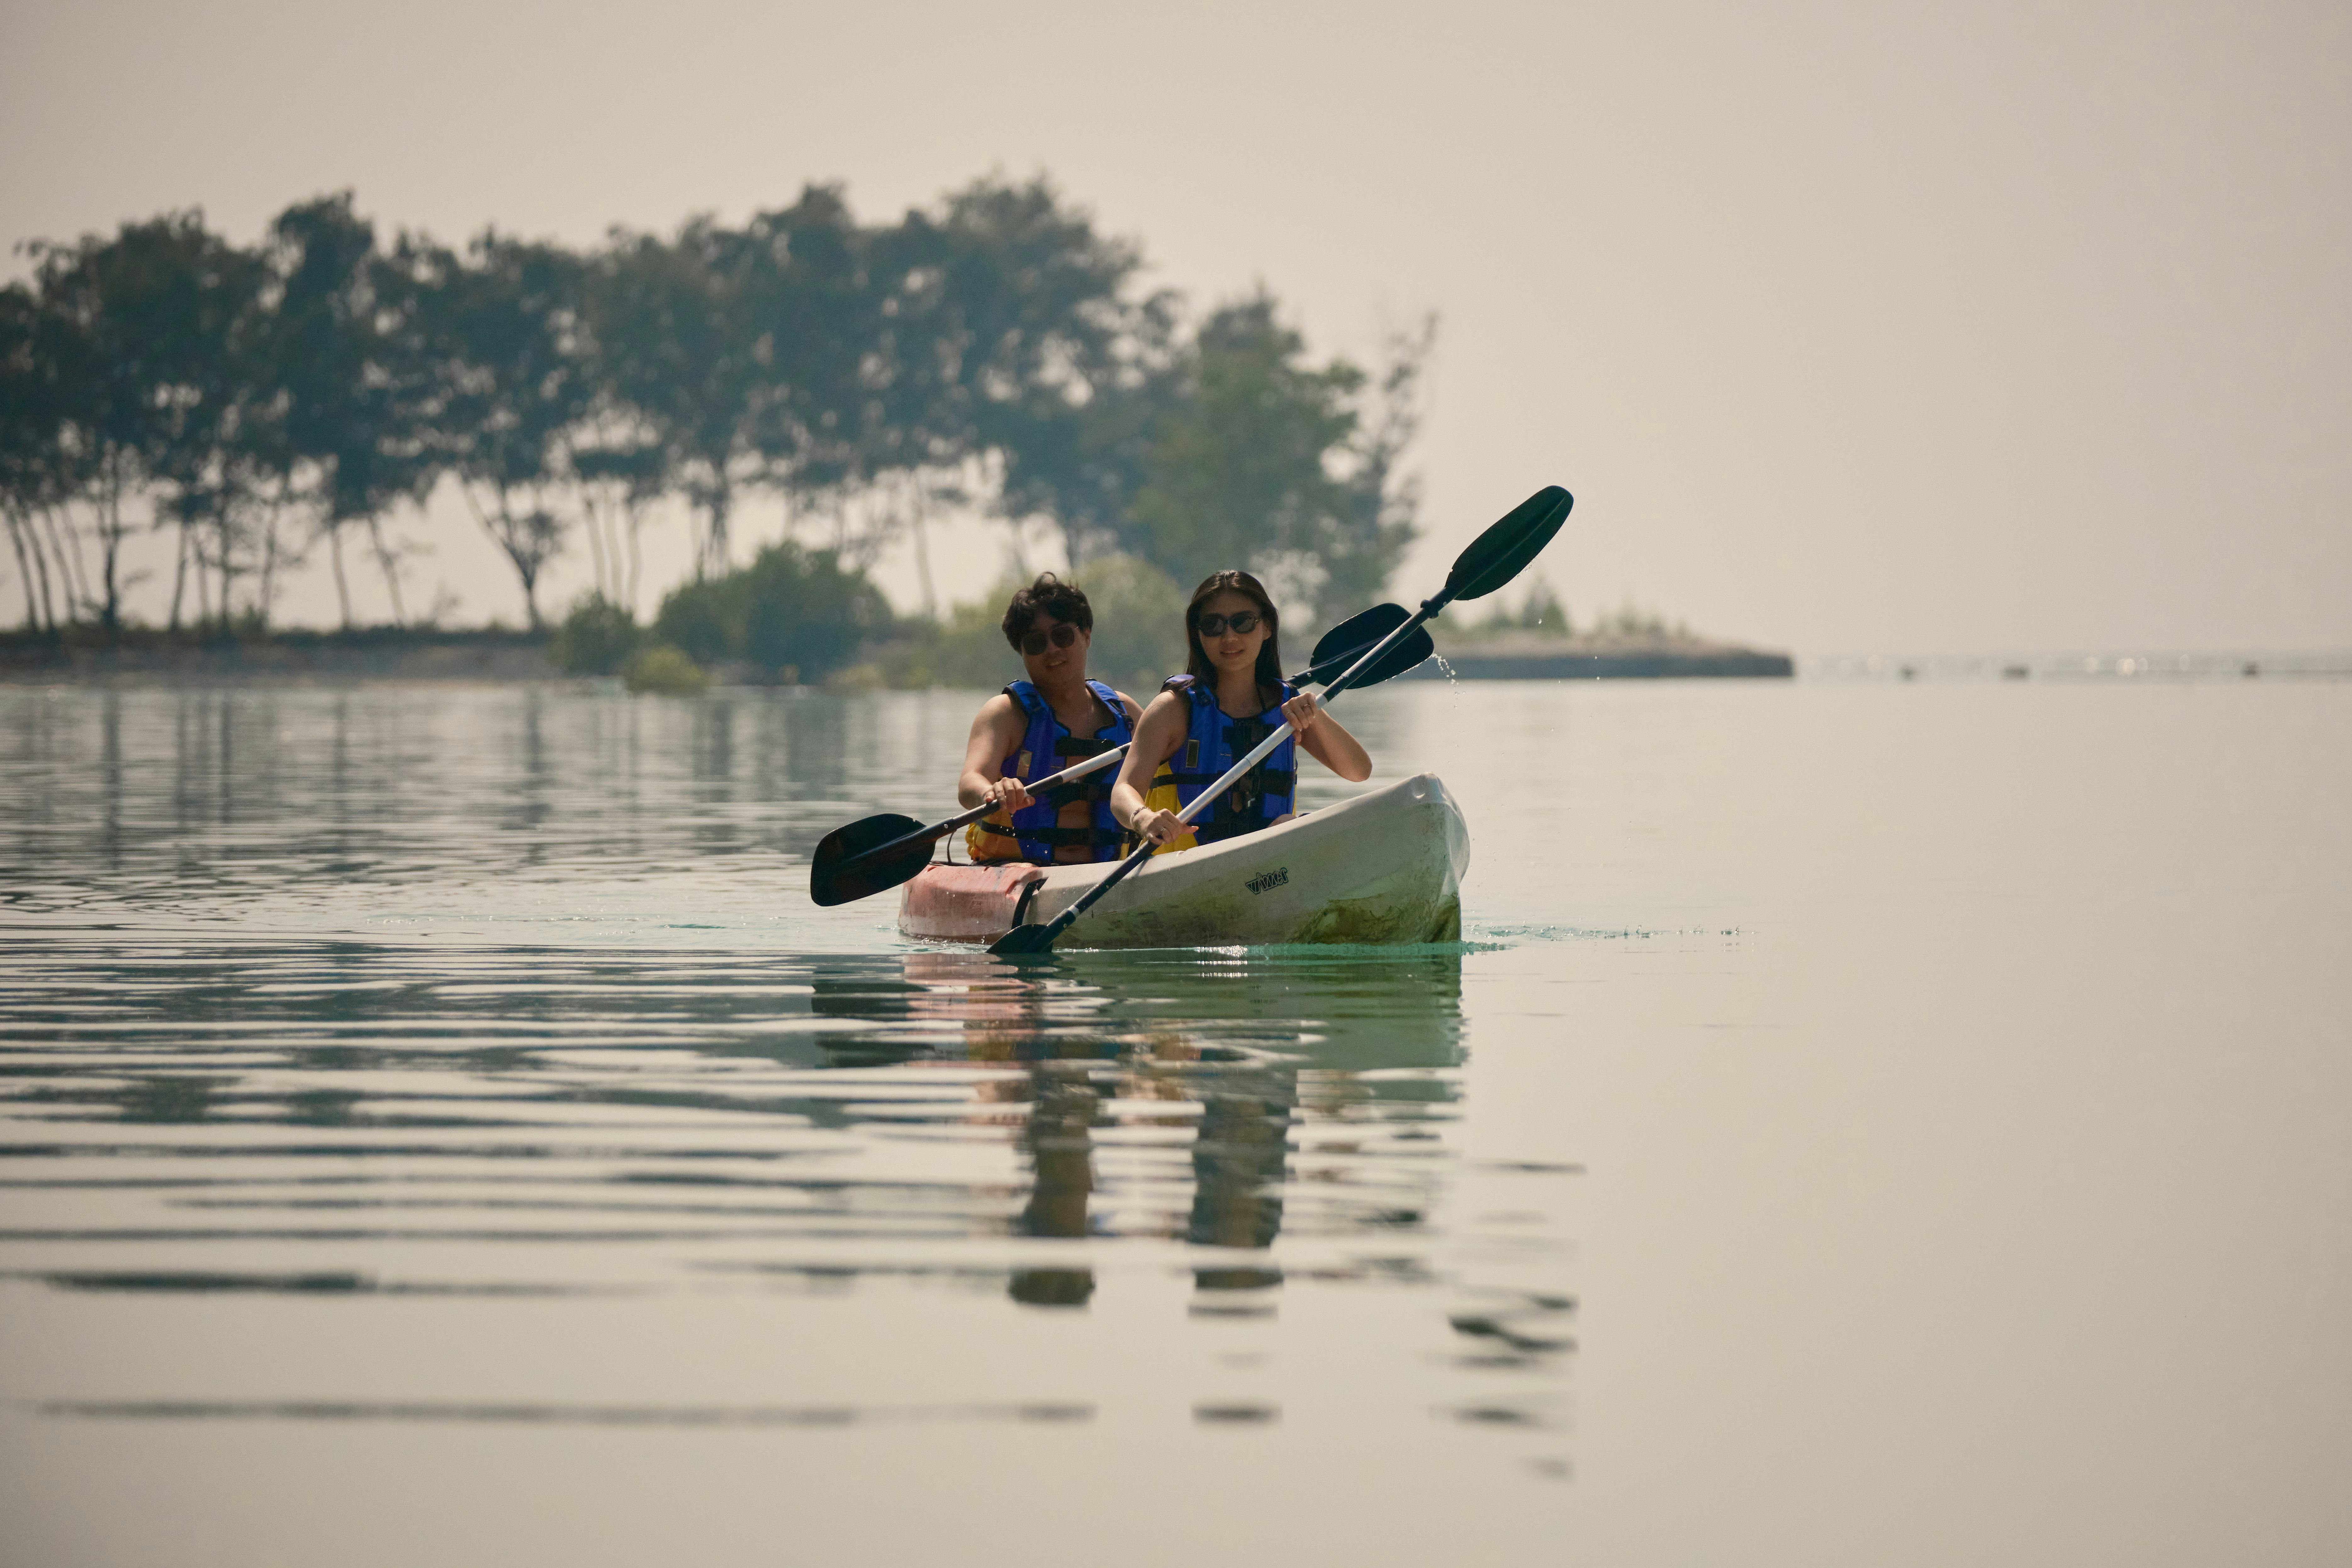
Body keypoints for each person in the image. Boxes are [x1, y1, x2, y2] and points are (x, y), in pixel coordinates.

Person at [1112, 570, 1372, 855]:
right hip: (1180, 869)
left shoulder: (1287, 709)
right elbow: (1123, 790)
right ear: (1198, 635)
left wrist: (1313, 714)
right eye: (1213, 625)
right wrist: (1144, 817)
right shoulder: (1172, 709)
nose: (1229, 636)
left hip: (1269, 868)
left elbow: (1359, 771)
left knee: (1288, 823)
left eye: (1243, 622)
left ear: (1267, 628)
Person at [960, 574, 1145, 865]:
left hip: (1108, 873)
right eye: (1035, 643)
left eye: (1062, 636)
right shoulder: (1005, 714)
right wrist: (991, 791)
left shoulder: (1127, 714)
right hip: (1015, 872)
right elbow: (970, 783)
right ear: (1022, 652)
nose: (1052, 650)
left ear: (1086, 635)